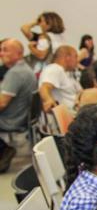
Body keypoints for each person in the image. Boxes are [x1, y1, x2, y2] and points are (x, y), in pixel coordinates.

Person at [0, 39, 37, 172]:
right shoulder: (24, 69)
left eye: (5, 50)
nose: (1, 54)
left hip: (10, 120)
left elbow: (2, 103)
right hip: (21, 116)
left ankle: (3, 150)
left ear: (19, 53)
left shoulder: (15, 73)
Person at [39, 45, 82, 112]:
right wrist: (49, 101)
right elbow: (44, 88)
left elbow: (80, 91)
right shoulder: (54, 69)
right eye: (76, 57)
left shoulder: (67, 73)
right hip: (67, 117)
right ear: (67, 57)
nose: (77, 61)